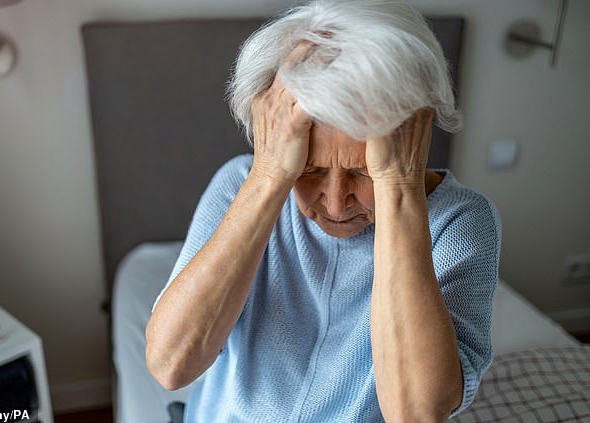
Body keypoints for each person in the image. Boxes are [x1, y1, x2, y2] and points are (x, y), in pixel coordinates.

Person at [146, 0, 501, 422]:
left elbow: (417, 414)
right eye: (309, 169)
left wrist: (399, 189)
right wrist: (267, 177)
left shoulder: (461, 223)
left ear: (413, 137)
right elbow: (171, 366)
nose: (334, 204)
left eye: (362, 171)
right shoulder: (240, 183)